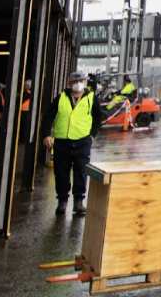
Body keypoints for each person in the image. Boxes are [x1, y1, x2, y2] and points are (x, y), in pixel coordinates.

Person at [42, 72, 103, 216]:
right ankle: (62, 202)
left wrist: (92, 135)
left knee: (81, 172)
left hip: (82, 141)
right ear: (69, 83)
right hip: (62, 142)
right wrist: (46, 135)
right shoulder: (61, 98)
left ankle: (78, 202)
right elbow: (48, 116)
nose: (78, 83)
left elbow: (98, 118)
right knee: (61, 173)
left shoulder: (91, 98)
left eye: (81, 81)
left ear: (85, 82)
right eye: (75, 81)